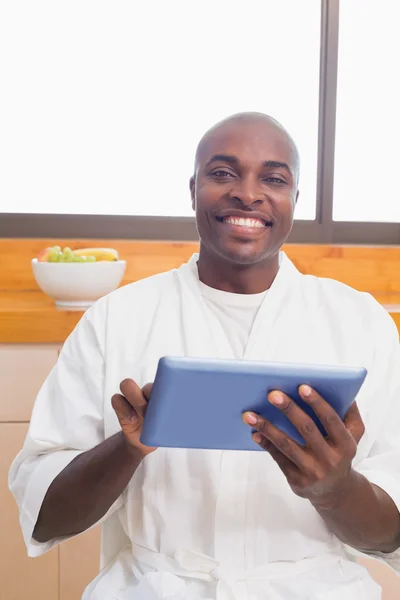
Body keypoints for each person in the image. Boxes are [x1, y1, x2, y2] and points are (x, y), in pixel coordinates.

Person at [9, 112, 400, 600]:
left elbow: (392, 536)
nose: (248, 193)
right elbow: (46, 516)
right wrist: (129, 446)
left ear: (295, 200)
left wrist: (335, 488)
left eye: (273, 178)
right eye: (223, 173)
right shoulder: (118, 319)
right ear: (193, 189)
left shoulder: (360, 323)